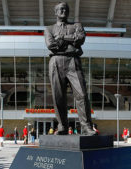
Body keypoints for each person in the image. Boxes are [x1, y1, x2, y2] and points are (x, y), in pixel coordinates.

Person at [44, 2, 96, 136]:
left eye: (66, 9)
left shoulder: (76, 25)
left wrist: (61, 38)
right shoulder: (49, 28)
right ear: (55, 12)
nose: (64, 11)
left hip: (73, 61)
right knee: (58, 97)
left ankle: (86, 127)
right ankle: (62, 126)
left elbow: (80, 39)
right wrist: (71, 40)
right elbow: (51, 45)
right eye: (61, 9)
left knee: (82, 94)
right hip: (56, 61)